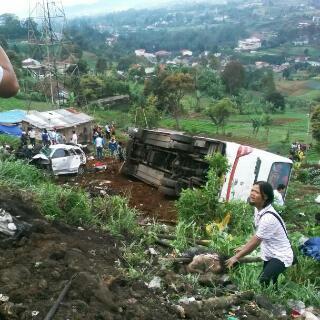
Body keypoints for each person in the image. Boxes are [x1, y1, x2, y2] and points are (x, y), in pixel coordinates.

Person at [226, 181, 293, 287]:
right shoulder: (258, 210)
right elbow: (258, 235)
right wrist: (244, 247)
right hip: (270, 254)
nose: (252, 193)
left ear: (265, 196)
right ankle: (274, 301)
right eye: (252, 190)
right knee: (269, 285)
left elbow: (257, 241)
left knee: (262, 281)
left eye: (256, 192)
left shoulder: (268, 217)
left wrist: (236, 257)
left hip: (281, 256)